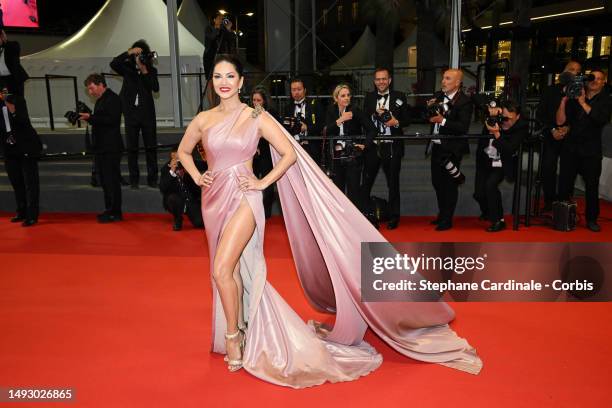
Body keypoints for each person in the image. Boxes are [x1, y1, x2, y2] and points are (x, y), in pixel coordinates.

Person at [177, 54, 481, 388]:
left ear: (240, 81)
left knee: (221, 269)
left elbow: (290, 154)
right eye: (218, 76)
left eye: (230, 76)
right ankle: (241, 325)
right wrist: (197, 175)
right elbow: (184, 151)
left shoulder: (256, 117)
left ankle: (233, 336)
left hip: (245, 199)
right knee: (230, 271)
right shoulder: (203, 119)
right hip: (213, 200)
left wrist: (263, 183)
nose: (223, 82)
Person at [556, 69, 612, 232]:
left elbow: (599, 119)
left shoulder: (606, 101)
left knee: (592, 188)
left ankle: (592, 219)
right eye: (592, 78)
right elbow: (560, 121)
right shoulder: (575, 95)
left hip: (591, 151)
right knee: (565, 185)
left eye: (599, 79)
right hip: (571, 148)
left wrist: (582, 102)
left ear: (603, 82)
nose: (594, 81)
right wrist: (564, 100)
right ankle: (562, 217)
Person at [362, 67, 411, 229]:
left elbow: (407, 120)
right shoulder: (368, 98)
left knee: (393, 183)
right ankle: (364, 214)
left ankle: (394, 216)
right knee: (366, 182)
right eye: (378, 79)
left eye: (384, 79)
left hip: (392, 146)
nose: (381, 82)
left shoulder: (400, 96)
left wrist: (395, 122)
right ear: (374, 81)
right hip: (374, 146)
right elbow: (364, 121)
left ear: (389, 80)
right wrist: (372, 117)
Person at [427, 69, 473, 231]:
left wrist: (443, 120)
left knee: (449, 185)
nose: (443, 81)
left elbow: (462, 127)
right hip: (437, 146)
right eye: (443, 78)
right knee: (437, 182)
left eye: (448, 79)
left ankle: (447, 219)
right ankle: (442, 214)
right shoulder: (438, 96)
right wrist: (430, 109)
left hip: (453, 149)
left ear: (457, 83)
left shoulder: (465, 101)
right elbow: (429, 117)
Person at [110, 40, 160, 189]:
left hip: (147, 115)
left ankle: (152, 180)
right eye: (137, 54)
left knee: (150, 148)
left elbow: (155, 88)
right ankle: (134, 180)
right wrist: (130, 52)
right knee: (132, 149)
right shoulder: (127, 68)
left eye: (141, 54)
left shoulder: (151, 71)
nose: (139, 57)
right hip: (131, 114)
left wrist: (144, 69)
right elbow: (113, 63)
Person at [473, 100, 527, 232]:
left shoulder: (521, 128)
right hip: (485, 160)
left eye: (509, 118)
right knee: (479, 194)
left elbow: (509, 150)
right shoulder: (494, 120)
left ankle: (498, 220)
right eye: (504, 117)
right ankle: (487, 212)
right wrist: (491, 116)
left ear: (518, 116)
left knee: (490, 186)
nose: (505, 121)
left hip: (503, 162)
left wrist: (497, 133)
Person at [536, 61, 581, 212]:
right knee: (548, 167)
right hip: (551, 135)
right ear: (564, 72)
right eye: (571, 69)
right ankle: (549, 201)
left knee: (568, 169)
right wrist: (553, 129)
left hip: (570, 137)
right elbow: (541, 114)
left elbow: (580, 117)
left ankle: (563, 202)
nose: (574, 72)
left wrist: (568, 128)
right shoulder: (550, 91)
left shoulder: (579, 93)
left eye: (577, 71)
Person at [79, 74, 123, 223]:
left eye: (91, 88)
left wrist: (90, 118)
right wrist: (90, 116)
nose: (90, 92)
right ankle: (109, 209)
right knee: (104, 181)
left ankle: (115, 213)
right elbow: (101, 120)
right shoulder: (101, 100)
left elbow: (111, 120)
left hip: (111, 147)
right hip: (102, 147)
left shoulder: (113, 99)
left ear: (100, 84)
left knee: (111, 181)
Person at [325, 83, 376, 210]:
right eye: (343, 96)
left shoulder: (355, 110)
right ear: (336, 98)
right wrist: (340, 120)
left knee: (354, 192)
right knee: (337, 191)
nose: (347, 98)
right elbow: (325, 131)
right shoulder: (330, 110)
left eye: (348, 95)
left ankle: (354, 223)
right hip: (336, 156)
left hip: (353, 155)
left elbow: (372, 130)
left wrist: (364, 145)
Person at [1, 92, 41, 226]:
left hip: (26, 146)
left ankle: (32, 215)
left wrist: (13, 111)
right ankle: (21, 211)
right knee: (16, 182)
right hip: (8, 148)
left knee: (31, 183)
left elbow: (24, 121)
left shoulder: (17, 99)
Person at [249, 86, 279, 219]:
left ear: (264, 101)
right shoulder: (251, 113)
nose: (256, 103)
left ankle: (266, 212)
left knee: (267, 181)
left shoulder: (271, 112)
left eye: (259, 100)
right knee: (252, 179)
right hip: (253, 152)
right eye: (254, 100)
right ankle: (253, 210)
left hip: (267, 151)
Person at [159, 147, 204, 231]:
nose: (177, 161)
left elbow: (206, 164)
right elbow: (163, 188)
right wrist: (172, 171)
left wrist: (191, 172)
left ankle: (192, 211)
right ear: (171, 157)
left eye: (179, 158)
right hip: (176, 198)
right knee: (172, 199)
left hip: (190, 198)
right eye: (174, 158)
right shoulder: (166, 169)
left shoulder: (190, 164)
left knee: (199, 223)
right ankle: (177, 219)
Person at [281, 78, 323, 164]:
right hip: (293, 148)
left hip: (311, 148)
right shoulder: (287, 108)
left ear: (305, 90)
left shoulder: (315, 105)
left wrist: (307, 128)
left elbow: (321, 125)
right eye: (293, 90)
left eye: (299, 89)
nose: (296, 92)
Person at [203, 13, 237, 79]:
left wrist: (229, 29)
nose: (221, 20)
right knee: (211, 77)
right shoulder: (209, 28)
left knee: (221, 76)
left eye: (222, 19)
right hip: (210, 56)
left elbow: (232, 38)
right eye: (219, 18)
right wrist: (218, 29)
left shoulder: (223, 29)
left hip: (221, 56)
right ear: (214, 20)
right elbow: (212, 37)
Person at [0, 30, 29, 97]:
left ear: (2, 37)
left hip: (13, 79)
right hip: (2, 81)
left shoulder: (12, 45)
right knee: (5, 100)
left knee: (18, 101)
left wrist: (6, 41)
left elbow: (15, 49)